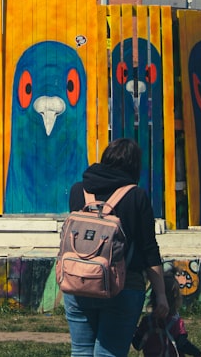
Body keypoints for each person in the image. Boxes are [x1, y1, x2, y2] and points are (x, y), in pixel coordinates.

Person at [64, 138, 169, 357]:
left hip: (77, 280)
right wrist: (161, 295)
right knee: (110, 353)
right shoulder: (136, 196)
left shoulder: (78, 191)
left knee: (81, 352)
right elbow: (149, 249)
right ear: (134, 166)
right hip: (123, 285)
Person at [132, 270, 201, 356]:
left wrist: (133, 330)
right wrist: (196, 352)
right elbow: (182, 344)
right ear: (176, 299)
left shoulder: (147, 322)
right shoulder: (176, 323)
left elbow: (137, 345)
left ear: (152, 297)